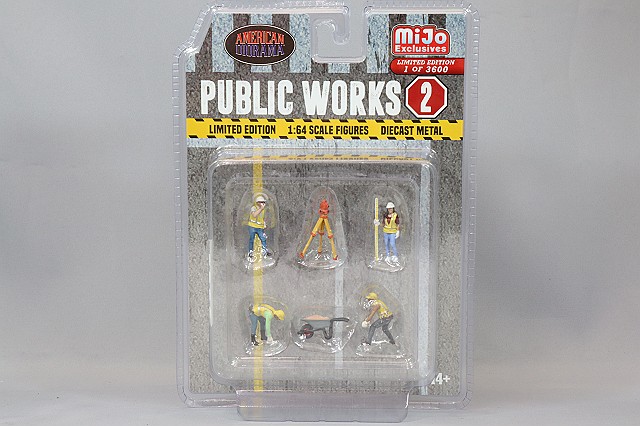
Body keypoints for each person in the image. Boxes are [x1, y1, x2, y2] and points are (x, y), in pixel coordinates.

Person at [247, 194, 271, 259]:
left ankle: (264, 251)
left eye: (264, 202)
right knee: (251, 239)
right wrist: (261, 209)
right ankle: (250, 252)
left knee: (263, 239)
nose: (263, 204)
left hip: (259, 227)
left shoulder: (263, 210)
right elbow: (254, 215)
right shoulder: (254, 208)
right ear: (257, 202)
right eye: (261, 202)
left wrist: (264, 223)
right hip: (252, 226)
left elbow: (262, 218)